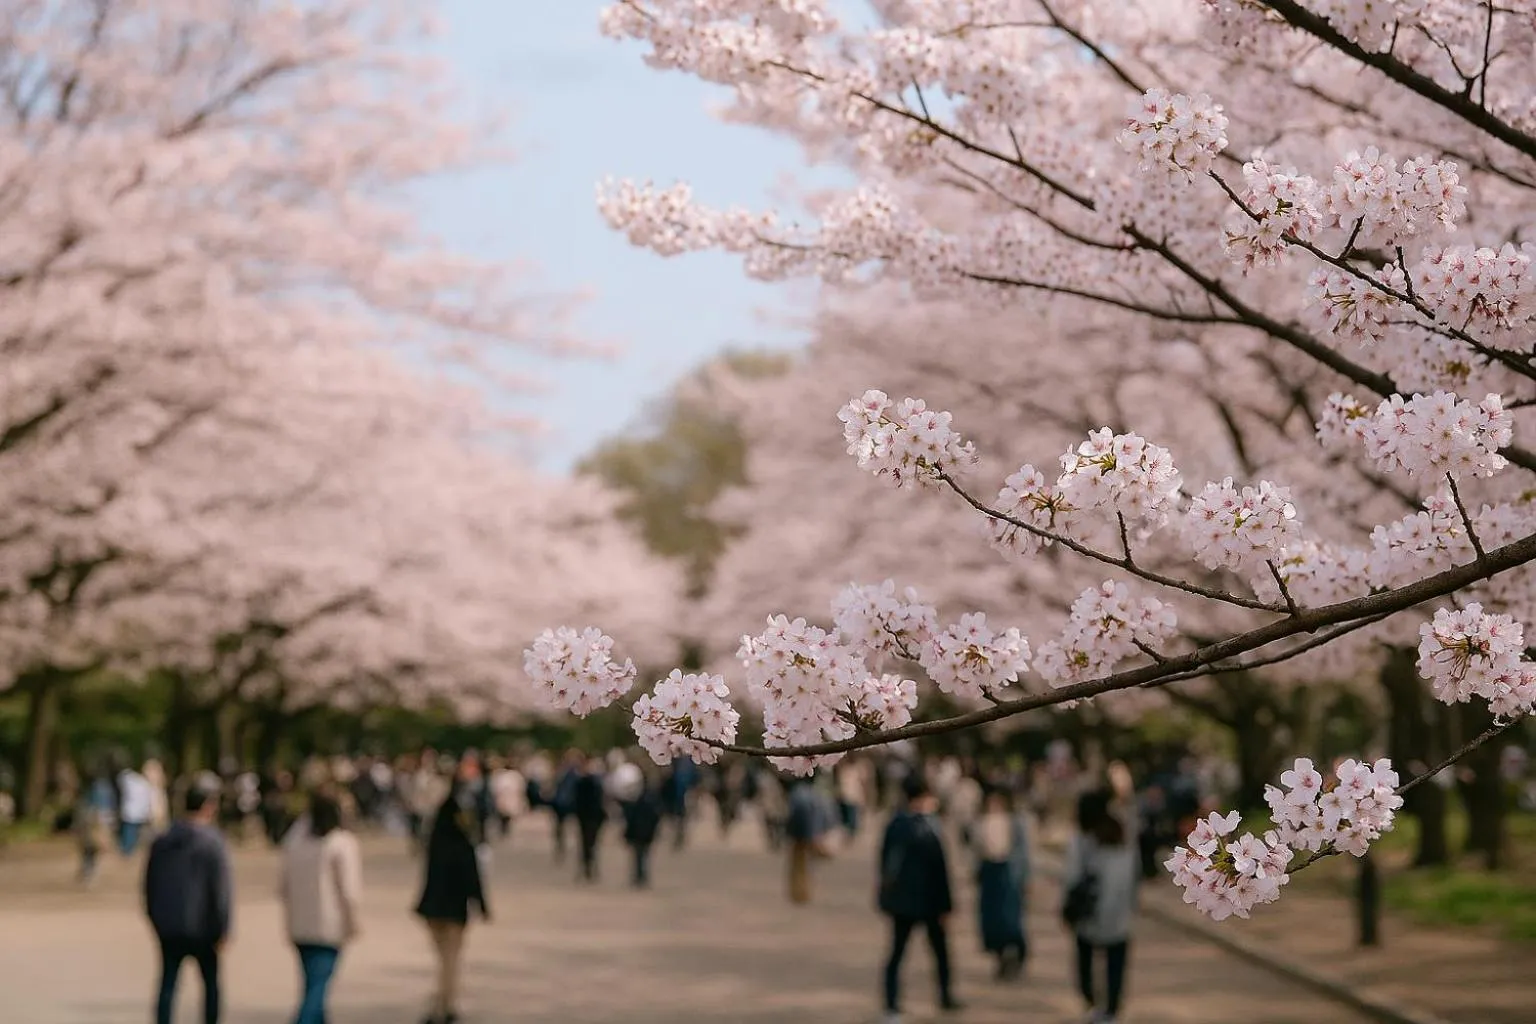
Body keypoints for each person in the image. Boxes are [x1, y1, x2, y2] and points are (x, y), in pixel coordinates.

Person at [145, 785, 233, 1024]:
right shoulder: (212, 842)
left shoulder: (163, 840)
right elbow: (221, 889)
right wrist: (224, 926)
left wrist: (155, 918)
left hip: (170, 924)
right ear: (208, 806)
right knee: (210, 984)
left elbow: (149, 883)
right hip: (203, 925)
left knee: (168, 982)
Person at [878, 775, 962, 1023]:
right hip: (927, 902)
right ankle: (942, 996)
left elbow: (885, 865)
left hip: (907, 902)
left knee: (901, 953)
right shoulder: (925, 826)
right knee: (931, 952)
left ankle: (893, 1004)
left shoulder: (897, 824)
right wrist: (947, 904)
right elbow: (940, 870)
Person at [280, 789, 362, 1024]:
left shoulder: (295, 843)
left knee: (313, 985)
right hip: (329, 927)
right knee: (316, 990)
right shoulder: (342, 844)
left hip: (300, 925)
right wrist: (353, 923)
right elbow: (349, 892)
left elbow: (283, 886)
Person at [1063, 789, 1140, 1024]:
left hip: (1090, 911)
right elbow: (1133, 872)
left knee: (1086, 960)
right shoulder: (1122, 832)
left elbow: (1072, 875)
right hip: (1119, 913)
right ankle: (1112, 1011)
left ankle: (1093, 1004)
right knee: (1115, 963)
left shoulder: (1082, 839)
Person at [415, 796, 490, 1024]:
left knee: (443, 959)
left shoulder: (435, 842)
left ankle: (442, 1002)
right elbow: (473, 879)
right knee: (451, 960)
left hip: (432, 908)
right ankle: (444, 1005)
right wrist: (483, 905)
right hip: (455, 910)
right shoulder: (463, 844)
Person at [974, 787, 1030, 980]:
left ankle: (1017, 951)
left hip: (1007, 870)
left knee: (1010, 918)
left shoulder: (1014, 823)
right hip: (990, 871)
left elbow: (1022, 852)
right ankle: (1000, 956)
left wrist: (1023, 878)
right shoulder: (982, 822)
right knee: (993, 920)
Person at [785, 776, 833, 904]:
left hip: (798, 835)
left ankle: (798, 892)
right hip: (812, 834)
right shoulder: (817, 795)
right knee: (808, 865)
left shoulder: (796, 793)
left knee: (797, 865)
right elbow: (826, 816)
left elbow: (791, 815)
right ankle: (804, 892)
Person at [622, 770, 664, 887]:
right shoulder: (650, 799)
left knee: (640, 855)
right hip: (643, 832)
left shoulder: (639, 799)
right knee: (642, 855)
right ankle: (641, 875)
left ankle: (640, 875)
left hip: (640, 831)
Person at [75, 766, 116, 886]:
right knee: (93, 847)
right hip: (98, 820)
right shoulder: (105, 787)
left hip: (93, 820)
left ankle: (88, 869)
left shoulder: (93, 788)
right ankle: (89, 869)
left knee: (89, 846)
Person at [573, 755, 608, 882]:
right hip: (588, 817)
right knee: (589, 844)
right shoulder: (590, 782)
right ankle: (589, 867)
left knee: (588, 844)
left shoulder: (586, 782)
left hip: (589, 817)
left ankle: (589, 867)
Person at [117, 761, 154, 856]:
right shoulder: (144, 783)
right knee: (134, 837)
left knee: (128, 837)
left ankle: (127, 854)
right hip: (139, 814)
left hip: (130, 814)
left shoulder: (127, 778)